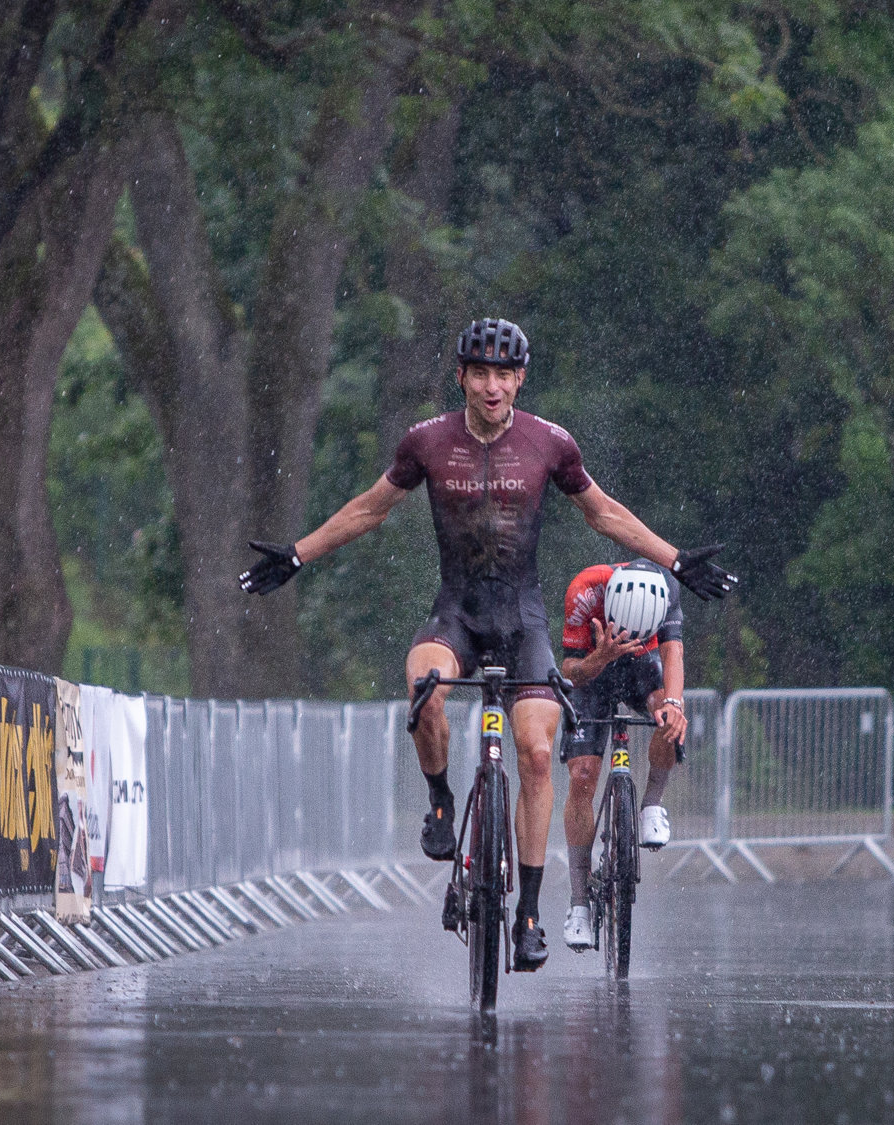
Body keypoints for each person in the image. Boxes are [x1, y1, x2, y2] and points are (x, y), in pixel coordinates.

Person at [239, 317, 735, 973]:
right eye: (481, 373)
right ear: (461, 377)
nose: (494, 385)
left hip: (522, 620)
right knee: (425, 690)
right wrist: (298, 555)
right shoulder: (427, 442)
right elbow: (369, 508)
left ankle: (528, 914)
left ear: (520, 378)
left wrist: (675, 561)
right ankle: (442, 801)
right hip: (456, 615)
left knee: (535, 755)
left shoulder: (550, 443)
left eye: (505, 373)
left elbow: (603, 512)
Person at [554, 559, 687, 951]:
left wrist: (675, 704)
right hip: (593, 667)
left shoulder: (666, 588)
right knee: (582, 775)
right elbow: (569, 671)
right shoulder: (584, 589)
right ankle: (579, 902)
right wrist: (601, 656)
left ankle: (651, 804)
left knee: (669, 715)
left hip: (641, 666)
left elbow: (673, 654)